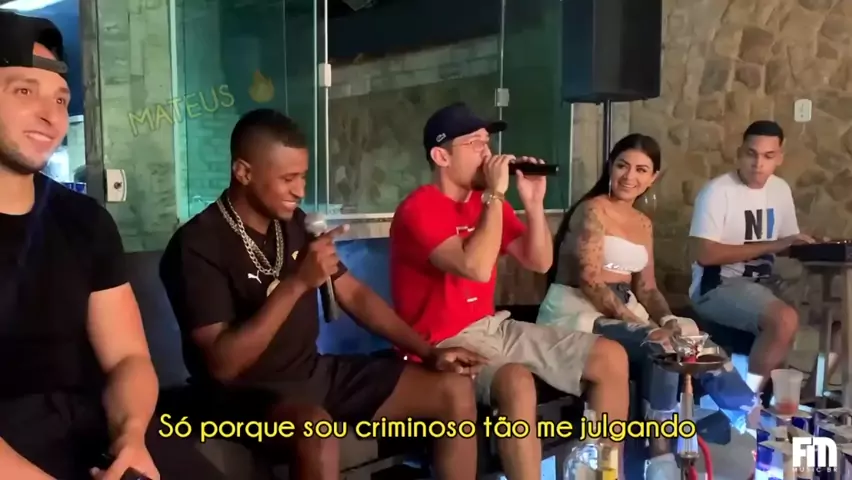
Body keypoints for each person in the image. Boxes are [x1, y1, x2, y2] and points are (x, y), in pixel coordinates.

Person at [159, 108, 486, 480]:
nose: (300, 191)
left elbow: (355, 295)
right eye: (288, 179)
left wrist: (428, 352)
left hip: (311, 373)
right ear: (243, 172)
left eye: (303, 176)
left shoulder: (296, 224)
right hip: (240, 397)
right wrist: (297, 284)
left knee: (453, 390)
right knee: (317, 432)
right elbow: (223, 364)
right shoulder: (197, 245)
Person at [0, 11, 226, 480]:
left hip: (91, 431)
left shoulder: (84, 221)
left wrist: (131, 437)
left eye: (61, 99)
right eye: (24, 91)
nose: (51, 116)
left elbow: (128, 358)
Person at [389, 102, 630, 480]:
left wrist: (533, 204)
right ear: (441, 156)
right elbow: (475, 267)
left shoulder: (487, 203)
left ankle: (602, 475)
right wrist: (496, 196)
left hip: (493, 326)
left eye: (487, 142)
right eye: (474, 144)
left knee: (610, 357)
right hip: (441, 343)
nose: (487, 153)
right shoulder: (419, 208)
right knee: (516, 381)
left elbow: (540, 262)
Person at [537, 134, 757, 467]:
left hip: (626, 309)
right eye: (622, 166)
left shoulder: (643, 223)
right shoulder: (592, 210)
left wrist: (668, 320)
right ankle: (660, 453)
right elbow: (591, 281)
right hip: (578, 309)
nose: (630, 176)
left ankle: (749, 419)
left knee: (693, 339)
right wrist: (643, 326)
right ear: (610, 166)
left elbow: (648, 288)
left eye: (641, 170)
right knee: (659, 343)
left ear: (653, 177)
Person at [688, 120, 828, 399]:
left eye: (768, 156)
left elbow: (786, 244)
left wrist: (813, 245)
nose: (758, 163)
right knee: (784, 319)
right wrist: (776, 245)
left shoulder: (780, 189)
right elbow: (704, 254)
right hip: (717, 286)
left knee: (836, 311)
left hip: (764, 283)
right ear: (739, 153)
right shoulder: (717, 191)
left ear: (779, 158)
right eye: (751, 154)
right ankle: (747, 402)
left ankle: (808, 396)